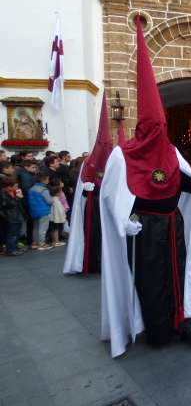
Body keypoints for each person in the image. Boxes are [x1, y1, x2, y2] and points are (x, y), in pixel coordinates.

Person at [100, 17, 191, 357]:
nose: (159, 133)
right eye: (154, 127)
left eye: (162, 126)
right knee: (153, 278)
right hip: (145, 229)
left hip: (174, 223)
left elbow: (181, 181)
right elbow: (111, 197)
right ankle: (156, 327)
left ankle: (185, 320)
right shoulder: (122, 155)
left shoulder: (171, 150)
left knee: (181, 272)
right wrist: (124, 220)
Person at [64, 94, 112, 274]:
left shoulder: (114, 162)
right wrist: (86, 189)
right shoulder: (88, 164)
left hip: (109, 207)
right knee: (94, 235)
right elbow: (81, 189)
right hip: (94, 208)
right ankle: (93, 262)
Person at [0, 176, 27, 256]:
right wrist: (18, 198)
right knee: (12, 234)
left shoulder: (13, 192)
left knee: (17, 233)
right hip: (11, 217)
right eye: (15, 186)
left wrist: (19, 197)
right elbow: (8, 205)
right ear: (9, 187)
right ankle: (11, 250)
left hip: (17, 215)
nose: (17, 187)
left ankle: (14, 247)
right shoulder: (2, 193)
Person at [28, 172, 54, 251]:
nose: (48, 180)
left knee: (36, 227)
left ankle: (35, 243)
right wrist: (52, 199)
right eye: (48, 179)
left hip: (33, 211)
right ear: (44, 180)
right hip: (44, 211)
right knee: (43, 228)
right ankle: (42, 244)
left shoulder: (31, 189)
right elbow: (49, 201)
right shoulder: (44, 190)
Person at [48, 178, 67, 247]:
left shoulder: (52, 199)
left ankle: (54, 241)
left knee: (53, 228)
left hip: (52, 217)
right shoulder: (56, 200)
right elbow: (59, 210)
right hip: (56, 218)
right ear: (57, 193)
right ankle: (56, 241)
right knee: (55, 229)